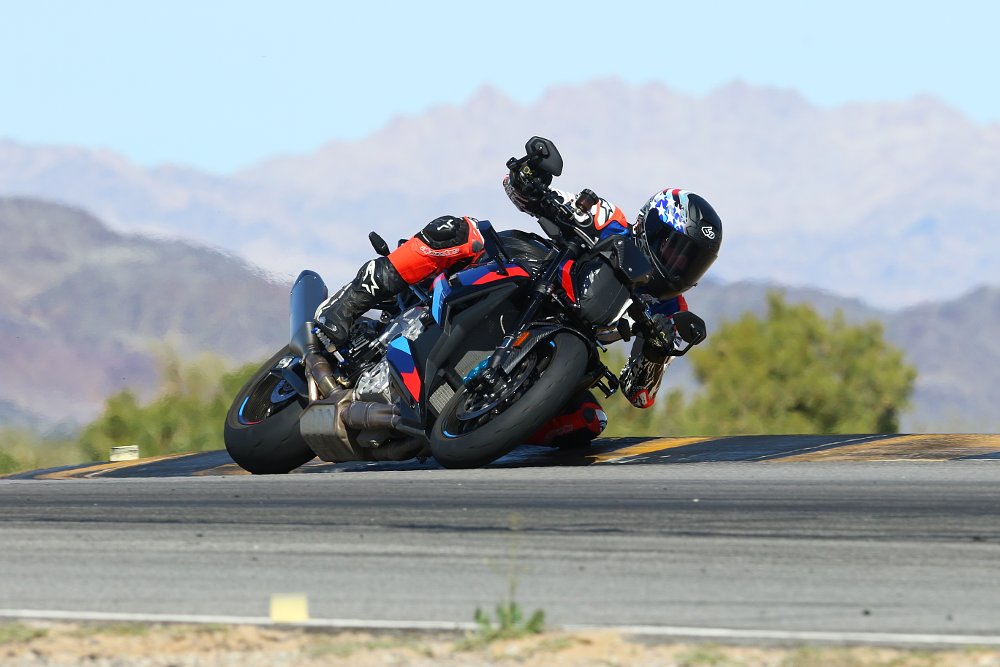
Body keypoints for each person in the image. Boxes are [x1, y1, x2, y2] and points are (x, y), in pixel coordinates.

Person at [314, 156, 722, 447]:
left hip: (559, 341)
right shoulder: (606, 219)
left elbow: (639, 394)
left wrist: (658, 350)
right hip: (526, 269)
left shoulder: (671, 312)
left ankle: (481, 426)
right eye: (674, 249)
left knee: (587, 421)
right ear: (649, 225)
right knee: (458, 231)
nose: (678, 264)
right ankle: (348, 303)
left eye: (691, 261)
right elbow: (523, 191)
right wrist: (529, 177)